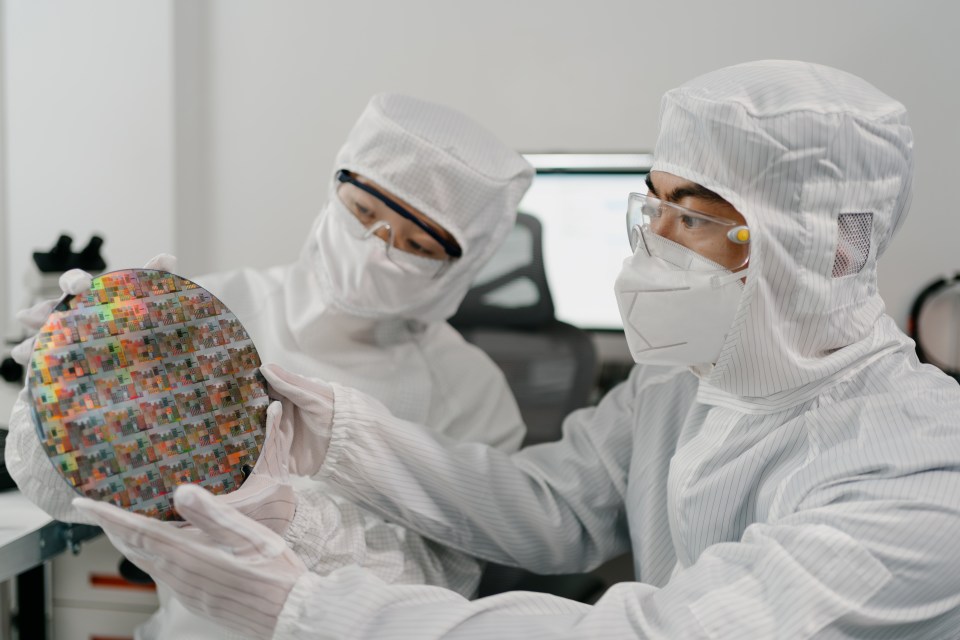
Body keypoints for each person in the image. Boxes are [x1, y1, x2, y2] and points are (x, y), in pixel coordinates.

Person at [80, 59, 960, 639]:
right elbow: (553, 507)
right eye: (651, 209)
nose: (653, 245)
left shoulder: (921, 470)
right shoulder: (684, 383)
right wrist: (346, 435)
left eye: (695, 216)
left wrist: (312, 606)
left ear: (836, 245)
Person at [5, 94, 534, 638]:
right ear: (335, 187)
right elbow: (60, 495)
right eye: (365, 212)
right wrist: (63, 387)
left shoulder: (473, 390)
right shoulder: (208, 312)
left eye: (417, 244)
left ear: (457, 269)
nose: (376, 250)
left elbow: (440, 589)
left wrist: (294, 522)